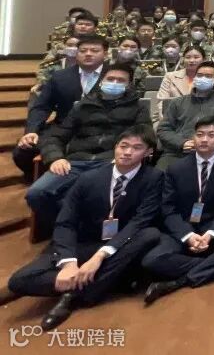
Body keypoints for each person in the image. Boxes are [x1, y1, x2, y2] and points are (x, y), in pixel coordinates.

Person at [7, 126, 163, 330]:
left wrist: (99, 256)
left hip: (119, 245)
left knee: (150, 234)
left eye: (136, 148)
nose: (127, 152)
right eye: (123, 146)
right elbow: (66, 221)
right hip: (84, 242)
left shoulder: (153, 178)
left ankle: (71, 296)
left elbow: (140, 221)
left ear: (148, 152)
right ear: (115, 147)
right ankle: (95, 286)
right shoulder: (89, 178)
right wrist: (69, 263)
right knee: (19, 280)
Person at [28, 63, 151, 235]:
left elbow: (144, 138)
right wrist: (55, 158)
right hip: (74, 162)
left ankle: (76, 231)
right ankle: (65, 227)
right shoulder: (82, 106)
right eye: (110, 79)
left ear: (129, 85)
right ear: (101, 81)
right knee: (37, 193)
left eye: (120, 80)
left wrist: (122, 157)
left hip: (110, 163)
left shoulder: (138, 108)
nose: (114, 83)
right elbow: (56, 136)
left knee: (89, 199)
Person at [141, 117, 214, 304]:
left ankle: (179, 281)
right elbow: (168, 208)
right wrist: (188, 235)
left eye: (211, 135)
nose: (204, 139)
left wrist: (211, 232)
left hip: (213, 225)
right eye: (200, 134)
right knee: (151, 260)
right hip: (184, 226)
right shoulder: (176, 168)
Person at [14, 35, 109, 181]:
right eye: (83, 50)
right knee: (22, 151)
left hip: (102, 129)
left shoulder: (115, 76)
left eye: (94, 50)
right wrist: (32, 131)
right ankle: (38, 179)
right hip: (62, 128)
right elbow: (41, 107)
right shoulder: (60, 77)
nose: (88, 54)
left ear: (105, 54)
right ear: (77, 53)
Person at [156, 61, 214, 171]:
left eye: (208, 76)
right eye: (199, 75)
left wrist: (206, 141)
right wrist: (182, 143)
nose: (203, 78)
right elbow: (163, 129)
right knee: (159, 176)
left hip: (211, 152)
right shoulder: (177, 102)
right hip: (177, 152)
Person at [153, 45, 206, 125]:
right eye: (188, 57)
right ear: (183, 59)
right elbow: (162, 102)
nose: (191, 60)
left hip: (199, 119)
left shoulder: (208, 77)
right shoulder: (170, 76)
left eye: (196, 57)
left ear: (204, 59)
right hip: (171, 118)